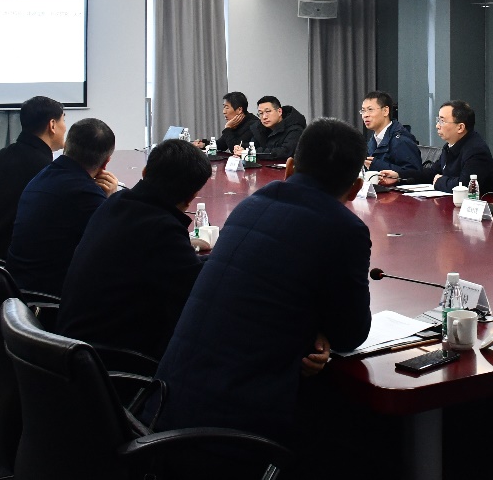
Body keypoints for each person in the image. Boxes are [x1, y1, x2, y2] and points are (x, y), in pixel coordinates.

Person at [154, 118, 372, 458]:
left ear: (290, 167)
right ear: (356, 188)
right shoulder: (345, 229)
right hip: (230, 431)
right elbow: (350, 334)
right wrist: (318, 329)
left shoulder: (250, 205)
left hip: (165, 404)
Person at [58, 139, 213, 360]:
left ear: (145, 172)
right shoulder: (162, 229)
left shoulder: (114, 203)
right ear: (192, 196)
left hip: (74, 347)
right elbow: (197, 292)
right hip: (114, 359)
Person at [6, 118, 118, 297]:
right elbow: (113, 247)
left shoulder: (44, 175)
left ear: (66, 146)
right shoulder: (85, 194)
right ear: (105, 163)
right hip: (47, 297)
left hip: (20, 287)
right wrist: (108, 200)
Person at [0, 96, 66, 259]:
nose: (65, 128)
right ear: (52, 125)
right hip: (15, 261)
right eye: (63, 120)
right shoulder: (47, 171)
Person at [380, 100, 493, 193]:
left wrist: (440, 181)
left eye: (442, 121)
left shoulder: (476, 150)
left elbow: (466, 186)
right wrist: (398, 176)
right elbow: (432, 173)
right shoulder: (450, 145)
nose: (437, 125)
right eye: (438, 120)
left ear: (460, 127)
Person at [362, 90, 422, 180]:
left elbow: (415, 173)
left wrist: (377, 165)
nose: (365, 115)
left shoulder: (401, 140)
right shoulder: (373, 140)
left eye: (370, 110)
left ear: (385, 111)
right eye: (363, 111)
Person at [236, 96, 306, 160]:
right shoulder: (259, 128)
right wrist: (242, 148)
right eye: (261, 113)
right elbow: (253, 146)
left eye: (268, 111)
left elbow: (284, 153)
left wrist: (250, 152)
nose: (264, 117)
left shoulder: (295, 130)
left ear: (279, 111)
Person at [194, 91, 260, 153]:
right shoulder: (235, 123)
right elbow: (222, 144)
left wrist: (227, 128)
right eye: (224, 107)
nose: (224, 112)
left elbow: (234, 148)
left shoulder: (253, 125)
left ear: (239, 110)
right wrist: (204, 144)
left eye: (227, 108)